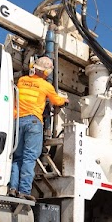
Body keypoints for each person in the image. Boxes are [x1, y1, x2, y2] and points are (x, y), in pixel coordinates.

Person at [9, 56, 67, 200]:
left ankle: (12, 188)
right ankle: (24, 191)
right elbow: (56, 101)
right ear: (46, 72)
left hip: (17, 121)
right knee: (29, 158)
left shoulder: (22, 80)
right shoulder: (46, 85)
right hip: (33, 122)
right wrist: (64, 100)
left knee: (17, 158)